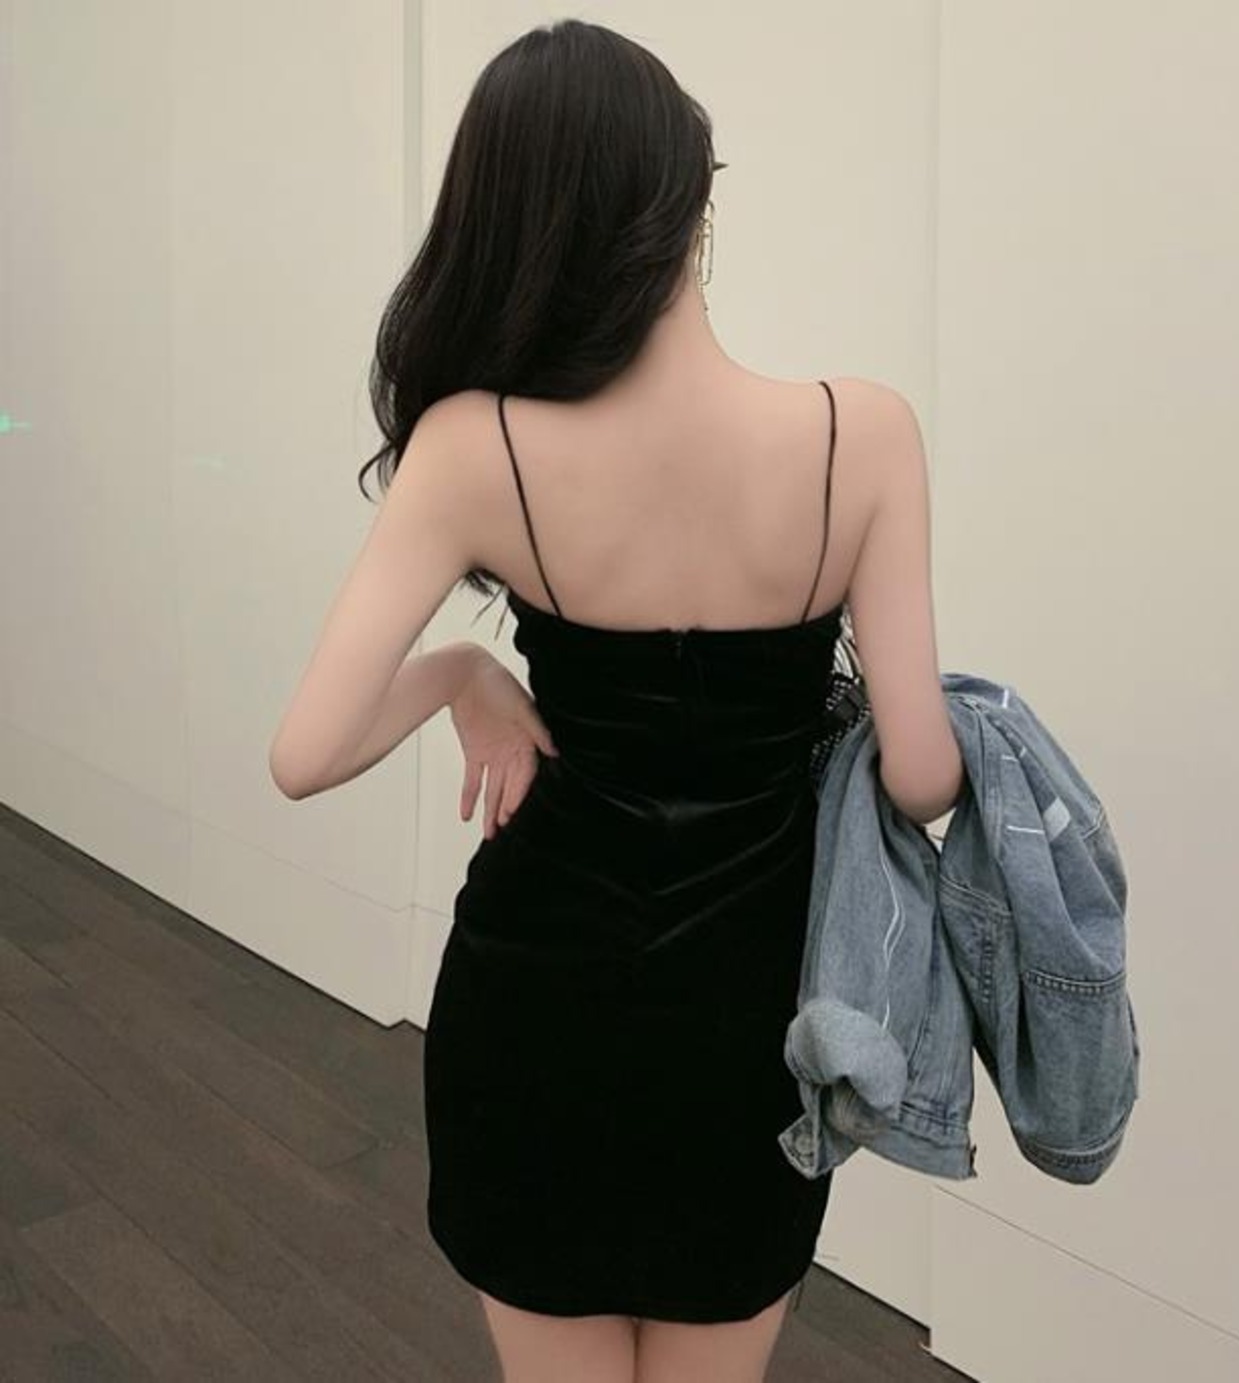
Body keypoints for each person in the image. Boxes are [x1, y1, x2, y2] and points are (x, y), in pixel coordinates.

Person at [360, 18, 963, 1383]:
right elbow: (923, 778)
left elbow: (305, 750)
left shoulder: (473, 444)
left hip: (532, 1006)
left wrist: (463, 675)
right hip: (748, 1030)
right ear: (689, 201)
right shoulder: (862, 434)